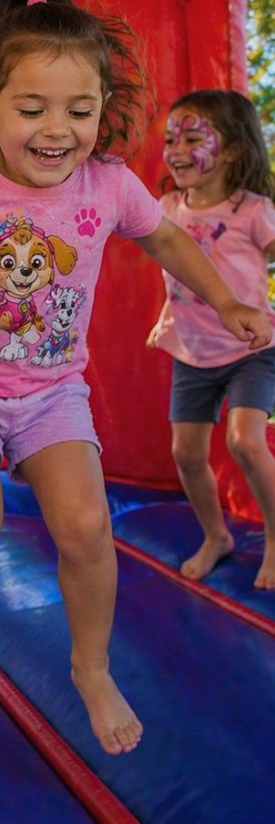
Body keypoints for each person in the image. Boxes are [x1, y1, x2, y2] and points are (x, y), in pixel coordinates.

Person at [0, 0, 272, 756]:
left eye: (80, 110)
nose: (57, 130)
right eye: (32, 109)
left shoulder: (109, 186)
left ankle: (91, 665)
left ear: (103, 110)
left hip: (51, 391)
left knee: (86, 525)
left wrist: (226, 301)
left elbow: (169, 242)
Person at [146, 90, 275, 588]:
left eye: (194, 137)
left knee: (245, 441)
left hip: (252, 352)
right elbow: (181, 274)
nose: (178, 149)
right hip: (192, 351)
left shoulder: (253, 211)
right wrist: (165, 316)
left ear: (234, 150)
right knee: (186, 453)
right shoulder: (167, 208)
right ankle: (216, 535)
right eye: (171, 139)